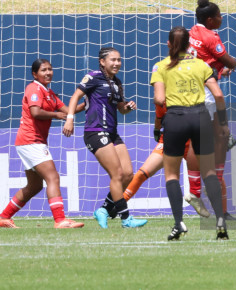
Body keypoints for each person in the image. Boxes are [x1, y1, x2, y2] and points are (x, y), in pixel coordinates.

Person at [152, 26, 231, 241]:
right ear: (189, 44)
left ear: (169, 44)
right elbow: (218, 95)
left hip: (176, 118)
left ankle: (178, 223)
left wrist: (159, 123)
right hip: (201, 117)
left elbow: (159, 99)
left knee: (171, 175)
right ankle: (220, 219)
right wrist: (223, 123)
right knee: (209, 172)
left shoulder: (160, 66)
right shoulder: (202, 65)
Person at [62, 47, 147, 229]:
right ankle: (126, 219)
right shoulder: (93, 77)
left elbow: (121, 109)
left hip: (112, 133)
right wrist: (70, 119)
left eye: (119, 60)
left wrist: (128, 107)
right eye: (113, 60)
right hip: (95, 132)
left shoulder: (116, 82)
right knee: (117, 174)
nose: (117, 63)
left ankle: (103, 210)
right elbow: (75, 96)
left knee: (128, 175)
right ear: (102, 62)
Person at [0, 59, 85, 229]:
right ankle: (60, 220)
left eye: (50, 69)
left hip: (30, 142)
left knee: (34, 186)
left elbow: (70, 110)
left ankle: (3, 217)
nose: (48, 73)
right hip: (31, 140)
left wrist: (88, 102)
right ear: (35, 74)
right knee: (53, 177)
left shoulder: (50, 93)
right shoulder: (33, 88)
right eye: (43, 70)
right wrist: (56, 115)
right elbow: (35, 112)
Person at [188, 0, 236, 220]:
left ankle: (207, 192)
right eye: (218, 15)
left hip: (190, 88)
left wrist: (218, 67)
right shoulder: (210, 36)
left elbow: (206, 58)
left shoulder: (193, 32)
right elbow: (230, 61)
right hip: (206, 90)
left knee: (216, 139)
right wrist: (229, 64)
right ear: (210, 20)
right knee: (214, 140)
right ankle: (197, 190)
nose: (221, 18)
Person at [121, 102, 208, 217]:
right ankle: (119, 205)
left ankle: (217, 209)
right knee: (142, 173)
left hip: (191, 142)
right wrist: (157, 130)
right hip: (170, 141)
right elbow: (159, 116)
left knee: (211, 173)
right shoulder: (162, 99)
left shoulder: (192, 97)